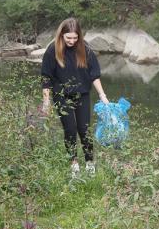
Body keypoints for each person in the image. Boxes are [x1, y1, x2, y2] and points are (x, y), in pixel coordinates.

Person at [41, 17, 109, 177]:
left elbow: (94, 75)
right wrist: (46, 102)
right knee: (70, 130)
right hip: (62, 95)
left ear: (79, 36)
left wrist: (102, 95)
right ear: (62, 35)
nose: (72, 41)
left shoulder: (85, 49)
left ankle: (90, 162)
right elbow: (45, 79)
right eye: (68, 37)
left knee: (84, 130)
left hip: (82, 94)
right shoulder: (53, 50)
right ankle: (74, 164)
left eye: (75, 37)